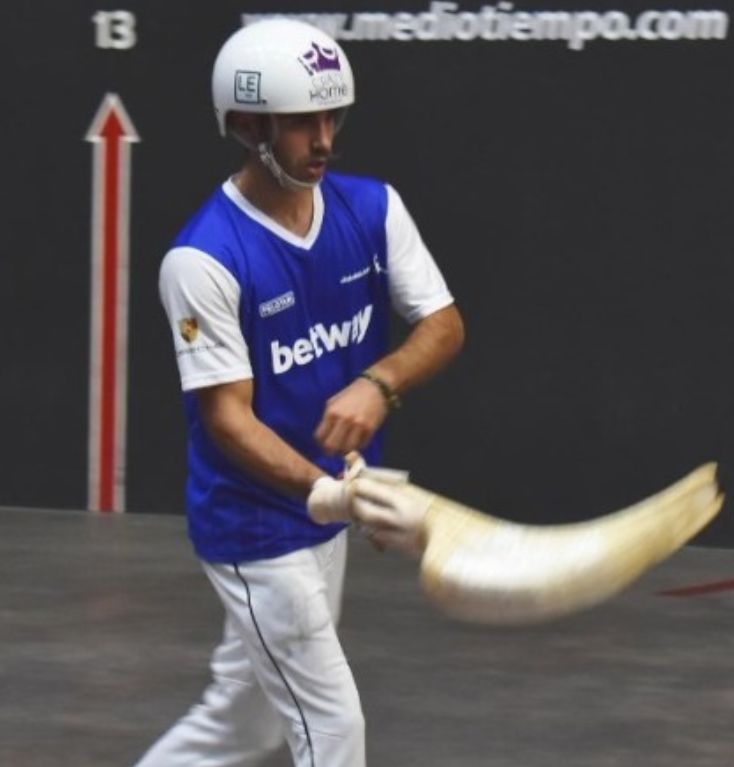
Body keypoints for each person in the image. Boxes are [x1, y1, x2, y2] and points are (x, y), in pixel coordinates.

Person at [135, 17, 464, 767]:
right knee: (331, 726)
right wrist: (327, 493)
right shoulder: (203, 259)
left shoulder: (373, 208)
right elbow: (225, 418)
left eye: (330, 117)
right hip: (254, 528)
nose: (323, 139)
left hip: (328, 506)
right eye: (299, 123)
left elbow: (443, 325)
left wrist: (379, 385)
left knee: (243, 723)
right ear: (248, 127)